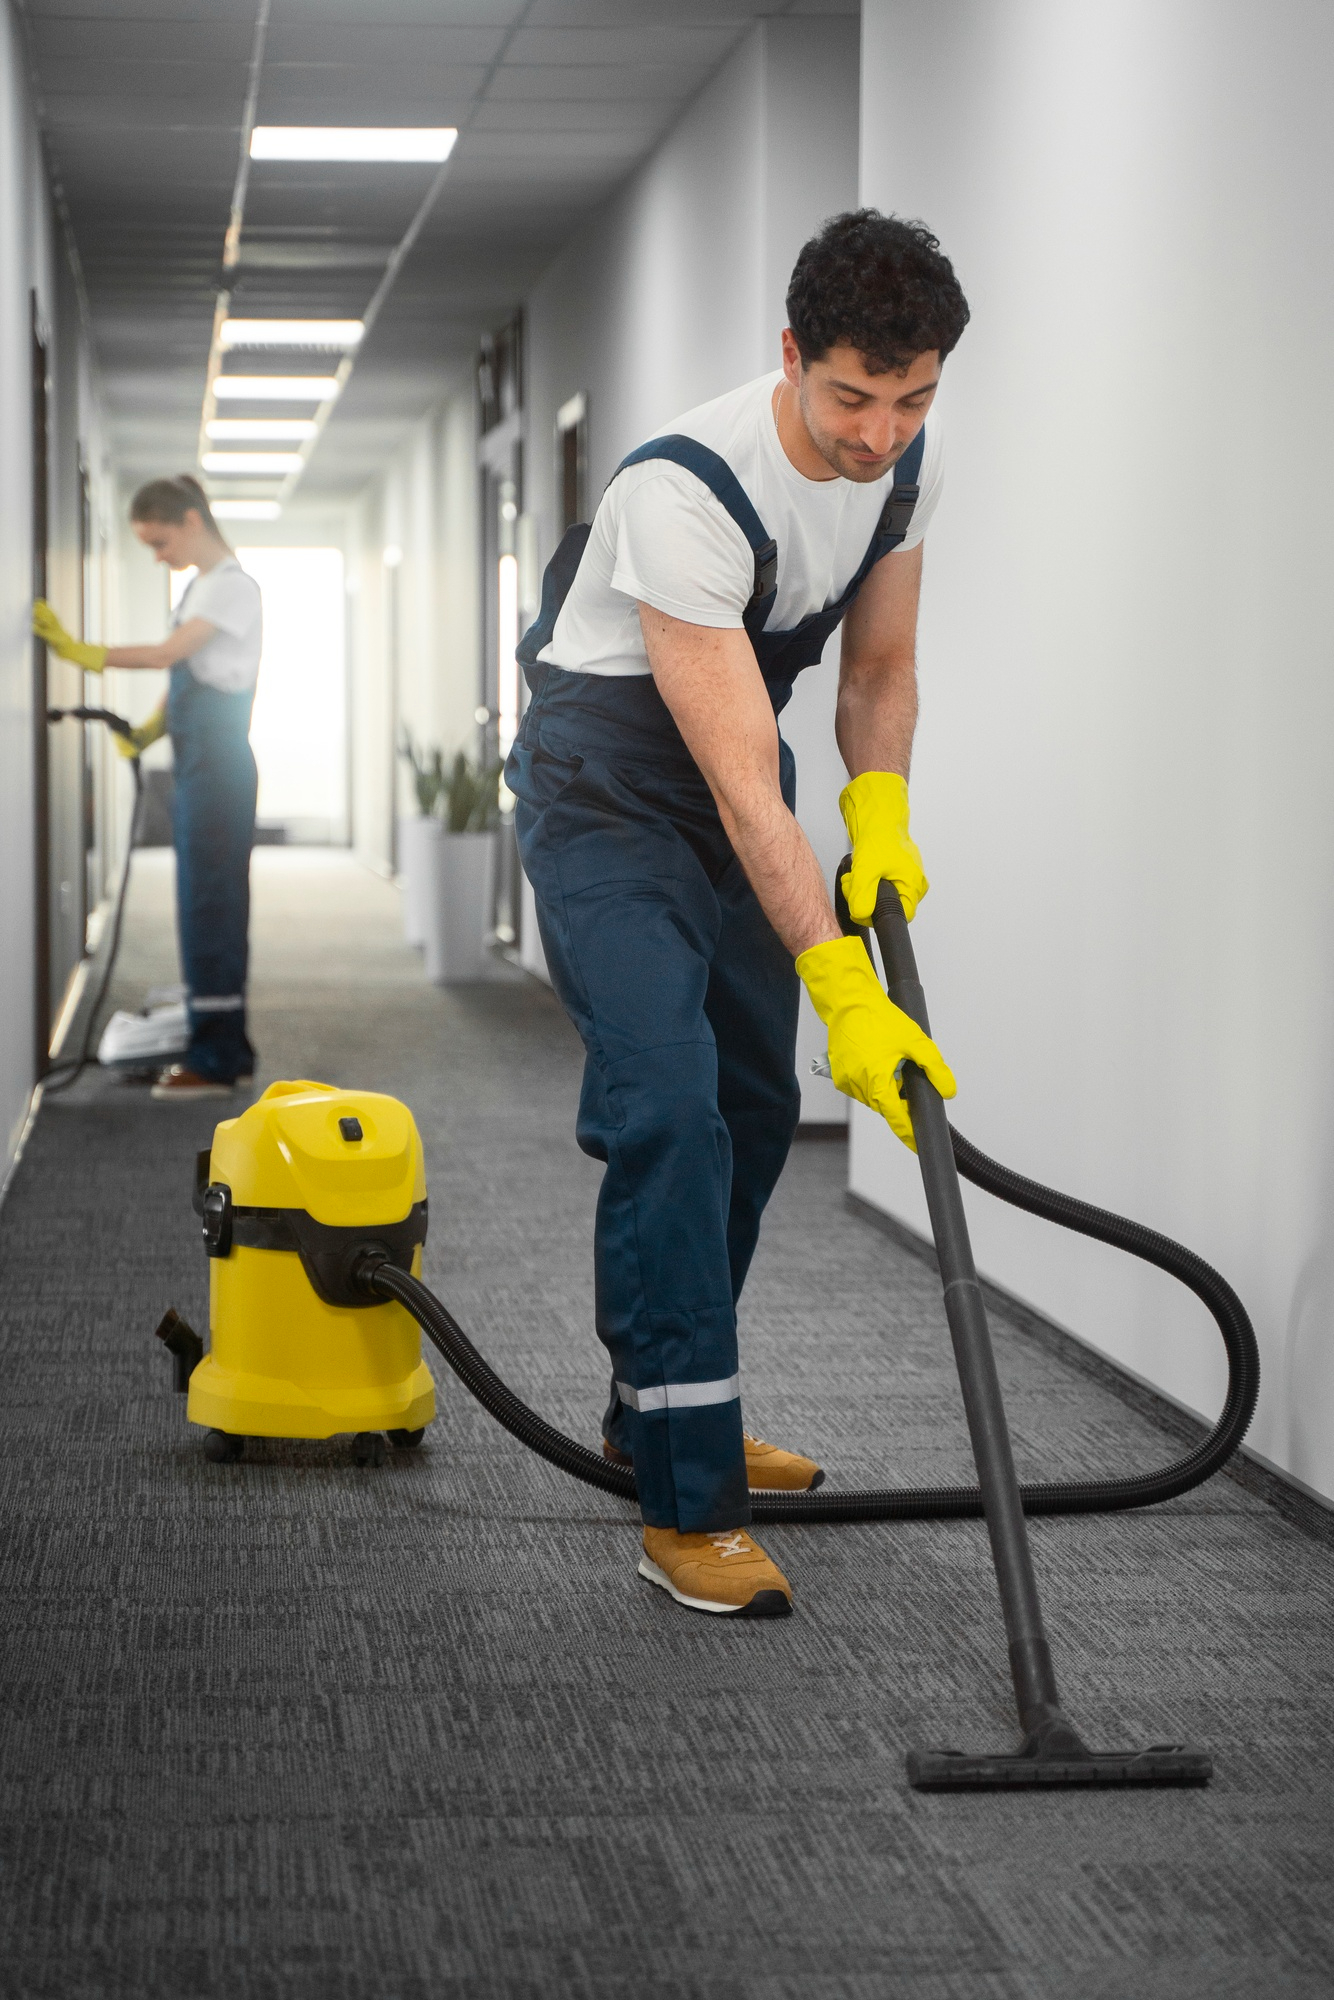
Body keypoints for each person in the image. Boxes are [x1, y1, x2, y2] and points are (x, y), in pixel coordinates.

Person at [507, 210, 970, 1619]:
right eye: (850, 397)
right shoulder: (685, 489)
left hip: (728, 763)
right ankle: (684, 1494)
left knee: (757, 1106)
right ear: (789, 357)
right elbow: (738, 786)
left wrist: (880, 814)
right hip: (608, 780)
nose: (880, 431)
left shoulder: (904, 472)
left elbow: (874, 671)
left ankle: (654, 1405)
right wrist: (842, 985)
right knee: (666, 1105)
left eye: (912, 399)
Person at [34, 474, 262, 1100]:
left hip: (218, 769)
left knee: (212, 905)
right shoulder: (201, 587)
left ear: (192, 520)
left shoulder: (234, 588)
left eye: (160, 541)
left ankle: (215, 1061)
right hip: (198, 764)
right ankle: (221, 1043)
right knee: (199, 904)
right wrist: (147, 730)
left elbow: (169, 654)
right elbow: (189, 675)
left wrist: (83, 654)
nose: (159, 556)